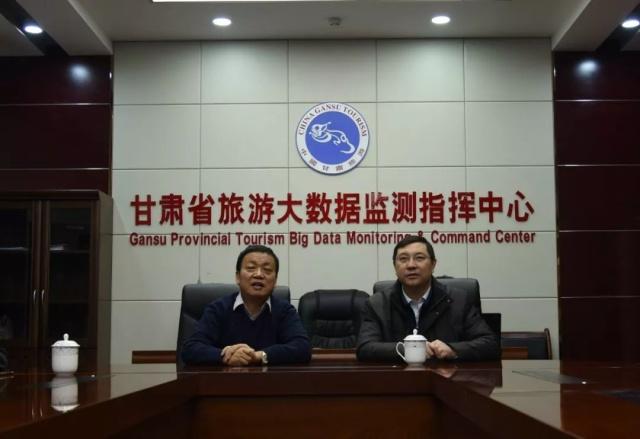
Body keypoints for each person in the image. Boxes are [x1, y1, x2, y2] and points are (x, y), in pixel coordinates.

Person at [357, 235, 500, 362]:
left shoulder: (459, 300)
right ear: (395, 266)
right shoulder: (377, 304)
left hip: (447, 380)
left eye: (419, 258)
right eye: (403, 259)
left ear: (433, 264)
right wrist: (407, 349)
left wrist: (453, 349)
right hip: (397, 379)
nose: (411, 265)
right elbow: (365, 348)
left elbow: (490, 344)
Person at [181, 245, 311, 366]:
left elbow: (302, 348)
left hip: (270, 382)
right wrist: (226, 355)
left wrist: (259, 356)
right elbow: (190, 349)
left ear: (275, 280)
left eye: (267, 270)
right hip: (225, 381)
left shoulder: (284, 311)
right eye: (251, 268)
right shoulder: (218, 309)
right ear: (238, 277)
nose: (258, 274)